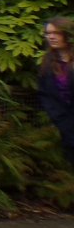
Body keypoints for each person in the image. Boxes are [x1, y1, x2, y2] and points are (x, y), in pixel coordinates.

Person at [37, 16, 74, 167]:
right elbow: (46, 95)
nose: (51, 36)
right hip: (66, 124)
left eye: (56, 33)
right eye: (48, 33)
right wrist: (60, 119)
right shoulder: (48, 64)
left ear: (67, 34)